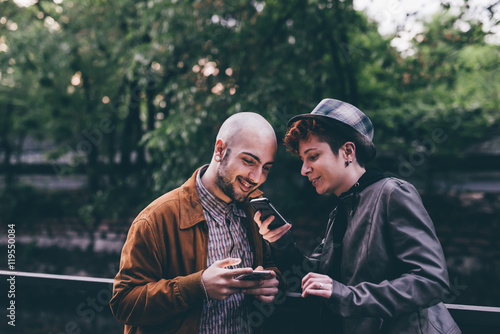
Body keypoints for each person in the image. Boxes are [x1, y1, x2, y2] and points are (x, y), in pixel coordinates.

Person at [255, 99, 461, 333]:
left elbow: (431, 282)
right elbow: (314, 279)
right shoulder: (340, 210)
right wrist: (280, 242)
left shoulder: (393, 193)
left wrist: (346, 295)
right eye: (303, 160)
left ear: (348, 151)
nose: (304, 170)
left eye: (312, 156)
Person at [110, 112, 281, 334]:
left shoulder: (256, 208)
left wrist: (272, 280)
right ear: (219, 150)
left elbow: (272, 265)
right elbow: (123, 303)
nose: (257, 177)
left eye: (266, 167)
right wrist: (197, 286)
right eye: (249, 161)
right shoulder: (155, 219)